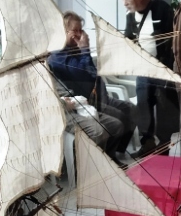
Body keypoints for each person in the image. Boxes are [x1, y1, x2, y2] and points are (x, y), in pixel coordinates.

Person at [48, 11, 136, 165]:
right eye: (75, 30)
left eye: (80, 30)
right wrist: (85, 50)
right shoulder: (57, 55)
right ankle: (105, 160)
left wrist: (84, 52)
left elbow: (92, 74)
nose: (79, 34)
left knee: (131, 110)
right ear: (63, 31)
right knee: (119, 119)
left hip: (98, 96)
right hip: (83, 102)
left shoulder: (76, 50)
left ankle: (114, 154)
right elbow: (82, 74)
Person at [121, 0, 179, 158]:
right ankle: (147, 144)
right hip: (143, 69)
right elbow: (128, 38)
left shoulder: (162, 9)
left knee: (164, 108)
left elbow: (174, 39)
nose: (124, 3)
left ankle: (164, 148)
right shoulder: (130, 15)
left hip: (162, 69)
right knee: (143, 106)